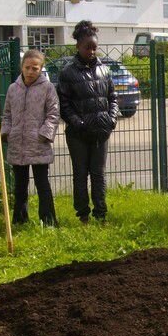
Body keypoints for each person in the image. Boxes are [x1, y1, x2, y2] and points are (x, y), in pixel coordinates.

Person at [57, 20, 118, 223]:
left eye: (94, 47)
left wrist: (111, 119)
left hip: (101, 132)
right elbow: (63, 104)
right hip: (78, 135)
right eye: (87, 47)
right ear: (78, 46)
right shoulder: (67, 72)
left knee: (98, 174)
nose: (91, 51)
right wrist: (78, 123)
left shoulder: (104, 70)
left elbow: (113, 97)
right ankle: (83, 214)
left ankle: (101, 213)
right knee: (80, 174)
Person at [1, 49, 60, 226]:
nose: (30, 71)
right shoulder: (13, 89)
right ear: (22, 67)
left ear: (41, 69)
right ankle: (20, 219)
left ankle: (48, 219)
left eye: (35, 68)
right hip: (17, 144)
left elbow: (53, 113)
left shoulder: (48, 88)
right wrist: (6, 132)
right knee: (20, 185)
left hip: (38, 144)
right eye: (27, 67)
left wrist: (44, 134)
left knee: (42, 184)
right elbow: (7, 114)